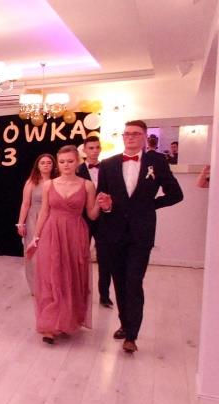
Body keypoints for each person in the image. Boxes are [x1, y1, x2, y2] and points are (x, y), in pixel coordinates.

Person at [95, 120, 184, 353]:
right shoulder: (108, 164)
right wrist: (106, 207)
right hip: (114, 233)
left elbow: (176, 194)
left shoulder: (157, 162)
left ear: (145, 137)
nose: (130, 137)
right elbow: (102, 197)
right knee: (119, 282)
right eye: (127, 134)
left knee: (134, 282)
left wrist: (149, 205)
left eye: (135, 133)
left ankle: (132, 335)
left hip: (141, 234)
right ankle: (125, 324)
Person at [27, 145, 101, 344]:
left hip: (76, 233)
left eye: (70, 161)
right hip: (51, 232)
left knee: (72, 277)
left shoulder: (87, 185)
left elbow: (92, 214)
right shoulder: (49, 185)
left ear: (77, 162)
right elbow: (44, 212)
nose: (66, 165)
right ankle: (50, 325)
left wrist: (102, 205)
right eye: (62, 162)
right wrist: (36, 237)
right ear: (57, 164)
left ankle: (67, 320)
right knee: (51, 276)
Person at [77, 136, 113, 306]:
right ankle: (80, 292)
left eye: (97, 147)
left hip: (105, 220)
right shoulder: (76, 170)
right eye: (91, 148)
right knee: (80, 257)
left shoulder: (109, 168)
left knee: (105, 258)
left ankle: (104, 296)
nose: (94, 151)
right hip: (82, 219)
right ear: (84, 150)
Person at [17, 153, 59, 295]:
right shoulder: (31, 182)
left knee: (51, 253)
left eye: (49, 162)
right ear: (38, 166)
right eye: (42, 163)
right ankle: (36, 287)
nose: (46, 165)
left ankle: (51, 286)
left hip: (53, 218)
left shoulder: (58, 181)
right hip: (33, 219)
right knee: (34, 253)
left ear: (53, 165)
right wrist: (20, 223)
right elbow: (25, 204)